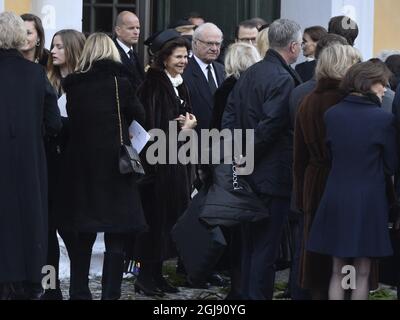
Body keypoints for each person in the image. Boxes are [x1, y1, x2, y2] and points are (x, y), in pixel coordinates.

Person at [56, 33, 147, 300]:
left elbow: (72, 122)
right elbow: (139, 115)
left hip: (81, 168)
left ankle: (79, 291)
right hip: (116, 168)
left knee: (82, 233)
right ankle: (110, 293)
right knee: (116, 234)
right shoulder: (122, 83)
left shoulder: (72, 85)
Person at [222, 18, 303, 300]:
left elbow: (229, 118)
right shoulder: (281, 78)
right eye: (300, 45)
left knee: (248, 246)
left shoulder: (252, 72)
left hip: (247, 173)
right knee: (264, 249)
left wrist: (236, 153)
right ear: (293, 47)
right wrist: (244, 154)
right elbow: (270, 126)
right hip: (269, 176)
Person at [307, 61, 398, 300]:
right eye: (382, 83)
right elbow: (391, 164)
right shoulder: (382, 119)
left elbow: (329, 154)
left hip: (336, 195)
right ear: (368, 83)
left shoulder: (333, 115)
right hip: (369, 199)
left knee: (338, 270)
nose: (385, 89)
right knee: (362, 271)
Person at [293, 44, 362, 300]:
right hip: (344, 181)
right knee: (345, 249)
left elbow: (298, 157)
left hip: (315, 181)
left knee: (317, 255)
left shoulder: (308, 100)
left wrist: (300, 195)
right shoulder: (350, 101)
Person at [0, 11, 61, 300]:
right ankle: (25, 283)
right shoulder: (35, 74)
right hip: (28, 162)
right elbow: (54, 123)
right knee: (27, 222)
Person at [135, 30, 197, 296]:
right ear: (164, 58)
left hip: (174, 163)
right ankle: (146, 278)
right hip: (157, 168)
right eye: (179, 56)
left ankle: (157, 275)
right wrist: (183, 131)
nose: (184, 61)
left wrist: (188, 125)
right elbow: (152, 127)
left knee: (166, 223)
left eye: (186, 56)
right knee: (155, 222)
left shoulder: (177, 82)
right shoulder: (153, 84)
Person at [41, 29, 86, 300]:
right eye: (52, 46)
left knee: (74, 235)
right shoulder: (48, 81)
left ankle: (79, 289)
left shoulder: (83, 85)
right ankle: (50, 288)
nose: (53, 51)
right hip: (49, 166)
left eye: (59, 46)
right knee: (47, 234)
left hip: (74, 169)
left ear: (72, 49)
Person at [183, 22, 225, 132]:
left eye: (218, 44)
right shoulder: (184, 71)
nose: (215, 49)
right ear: (195, 43)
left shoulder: (222, 70)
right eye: (209, 43)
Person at [114, 11, 144, 92]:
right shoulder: (111, 54)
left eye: (138, 28)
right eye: (131, 28)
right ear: (118, 31)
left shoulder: (134, 55)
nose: (136, 32)